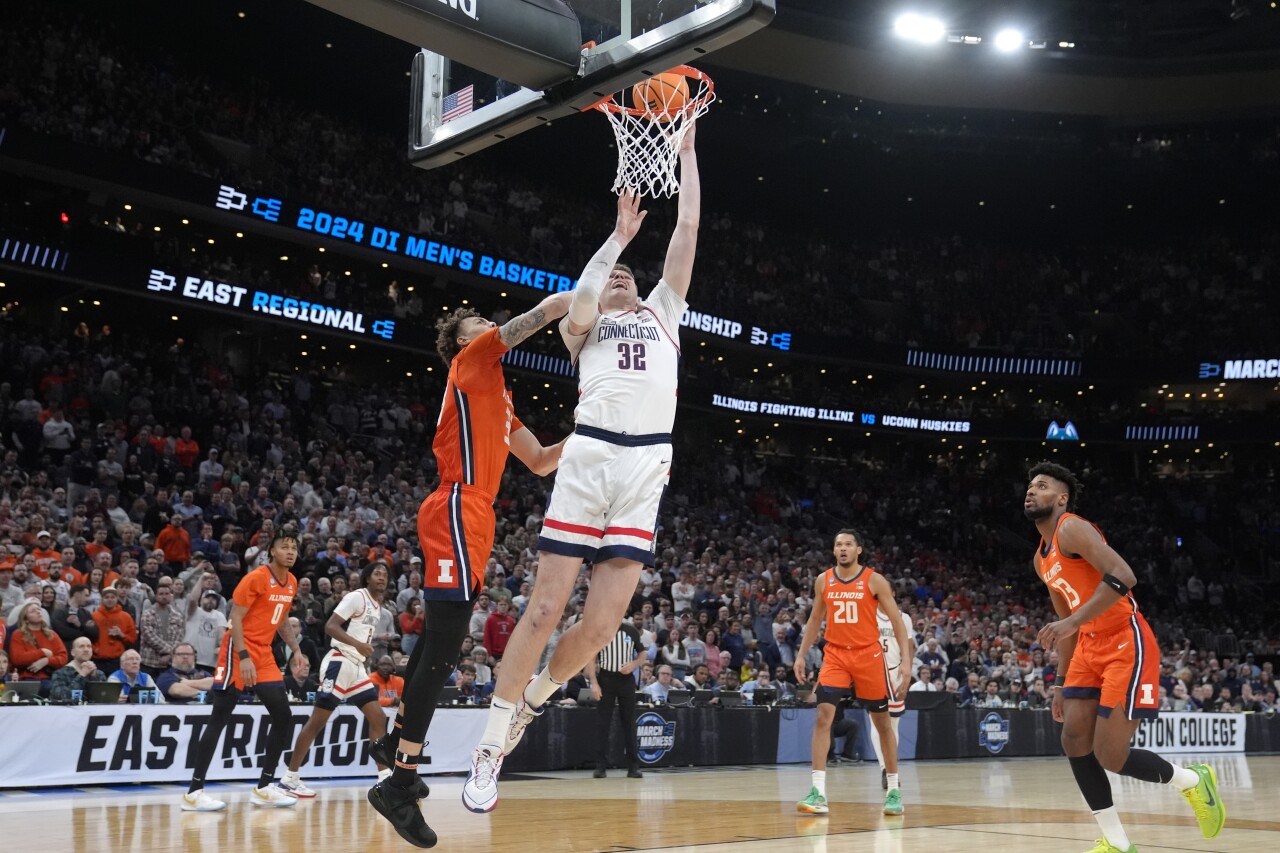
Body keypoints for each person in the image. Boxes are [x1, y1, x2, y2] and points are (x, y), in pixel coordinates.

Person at [464, 127, 701, 815]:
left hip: (646, 465)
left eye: (630, 272)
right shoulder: (584, 328)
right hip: (591, 454)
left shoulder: (665, 313)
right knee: (542, 608)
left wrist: (684, 149)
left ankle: (531, 703)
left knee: (601, 631)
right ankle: (487, 751)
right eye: (617, 275)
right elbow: (586, 288)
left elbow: (687, 224)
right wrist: (617, 239)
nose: (624, 278)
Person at [365, 290, 572, 847]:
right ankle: (400, 782)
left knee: (437, 639)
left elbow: (543, 460)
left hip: (477, 513)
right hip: (456, 502)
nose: (490, 322)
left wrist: (599, 431)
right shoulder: (471, 361)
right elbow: (534, 319)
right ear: (464, 339)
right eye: (480, 321)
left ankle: (392, 749)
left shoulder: (499, 398)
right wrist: (584, 294)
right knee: (446, 643)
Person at [1025, 462, 1224, 852]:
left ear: (1061, 498)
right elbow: (1065, 622)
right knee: (1074, 739)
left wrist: (1073, 623)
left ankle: (1193, 781)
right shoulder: (1040, 559)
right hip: (1087, 648)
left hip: (1124, 641)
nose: (1032, 490)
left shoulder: (1072, 527)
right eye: (1030, 485)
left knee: (1110, 754)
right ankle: (1117, 842)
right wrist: (1060, 684)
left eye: (1043, 485)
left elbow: (1124, 575)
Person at [180, 526, 303, 811]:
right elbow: (235, 617)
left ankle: (264, 787)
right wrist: (244, 656)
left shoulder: (292, 582)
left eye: (294, 548)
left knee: (283, 715)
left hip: (264, 653)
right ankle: (194, 791)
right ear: (271, 550)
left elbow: (282, 620)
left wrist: (295, 649)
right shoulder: (257, 578)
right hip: (238, 650)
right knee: (220, 716)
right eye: (285, 547)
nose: (290, 552)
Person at [793, 529, 910, 817]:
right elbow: (815, 619)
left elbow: (897, 621)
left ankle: (893, 789)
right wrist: (800, 654)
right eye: (838, 545)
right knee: (823, 716)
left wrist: (906, 662)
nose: (843, 548)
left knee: (882, 724)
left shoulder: (874, 580)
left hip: (868, 655)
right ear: (834, 551)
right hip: (835, 655)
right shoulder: (824, 580)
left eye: (848, 544)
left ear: (859, 550)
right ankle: (818, 792)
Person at [277, 562, 400, 798]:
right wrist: (359, 645)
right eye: (377, 573)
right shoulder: (357, 597)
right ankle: (289, 779)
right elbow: (330, 627)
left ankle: (384, 778)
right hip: (339, 662)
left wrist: (361, 649)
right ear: (367, 578)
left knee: (378, 718)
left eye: (385, 574)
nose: (382, 577)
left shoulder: (378, 606)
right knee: (317, 721)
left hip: (356, 666)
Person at [584, 620, 645, 778]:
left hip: (626, 680)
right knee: (603, 722)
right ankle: (600, 766)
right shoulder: (601, 631)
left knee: (629, 722)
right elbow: (591, 658)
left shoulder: (631, 631)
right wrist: (594, 683)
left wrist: (634, 664)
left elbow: (642, 653)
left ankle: (633, 766)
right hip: (606, 679)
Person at [872, 595, 916, 789]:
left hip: (896, 672)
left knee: (893, 724)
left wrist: (908, 673)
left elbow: (909, 647)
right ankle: (884, 768)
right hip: (873, 673)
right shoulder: (870, 615)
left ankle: (891, 768)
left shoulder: (904, 618)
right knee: (876, 723)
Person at [50, 635, 107, 701]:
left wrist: (94, 677)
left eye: (89, 646)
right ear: (73, 652)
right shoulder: (60, 674)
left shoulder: (99, 674)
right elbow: (64, 697)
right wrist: (82, 675)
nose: (86, 650)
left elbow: (103, 699)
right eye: (81, 646)